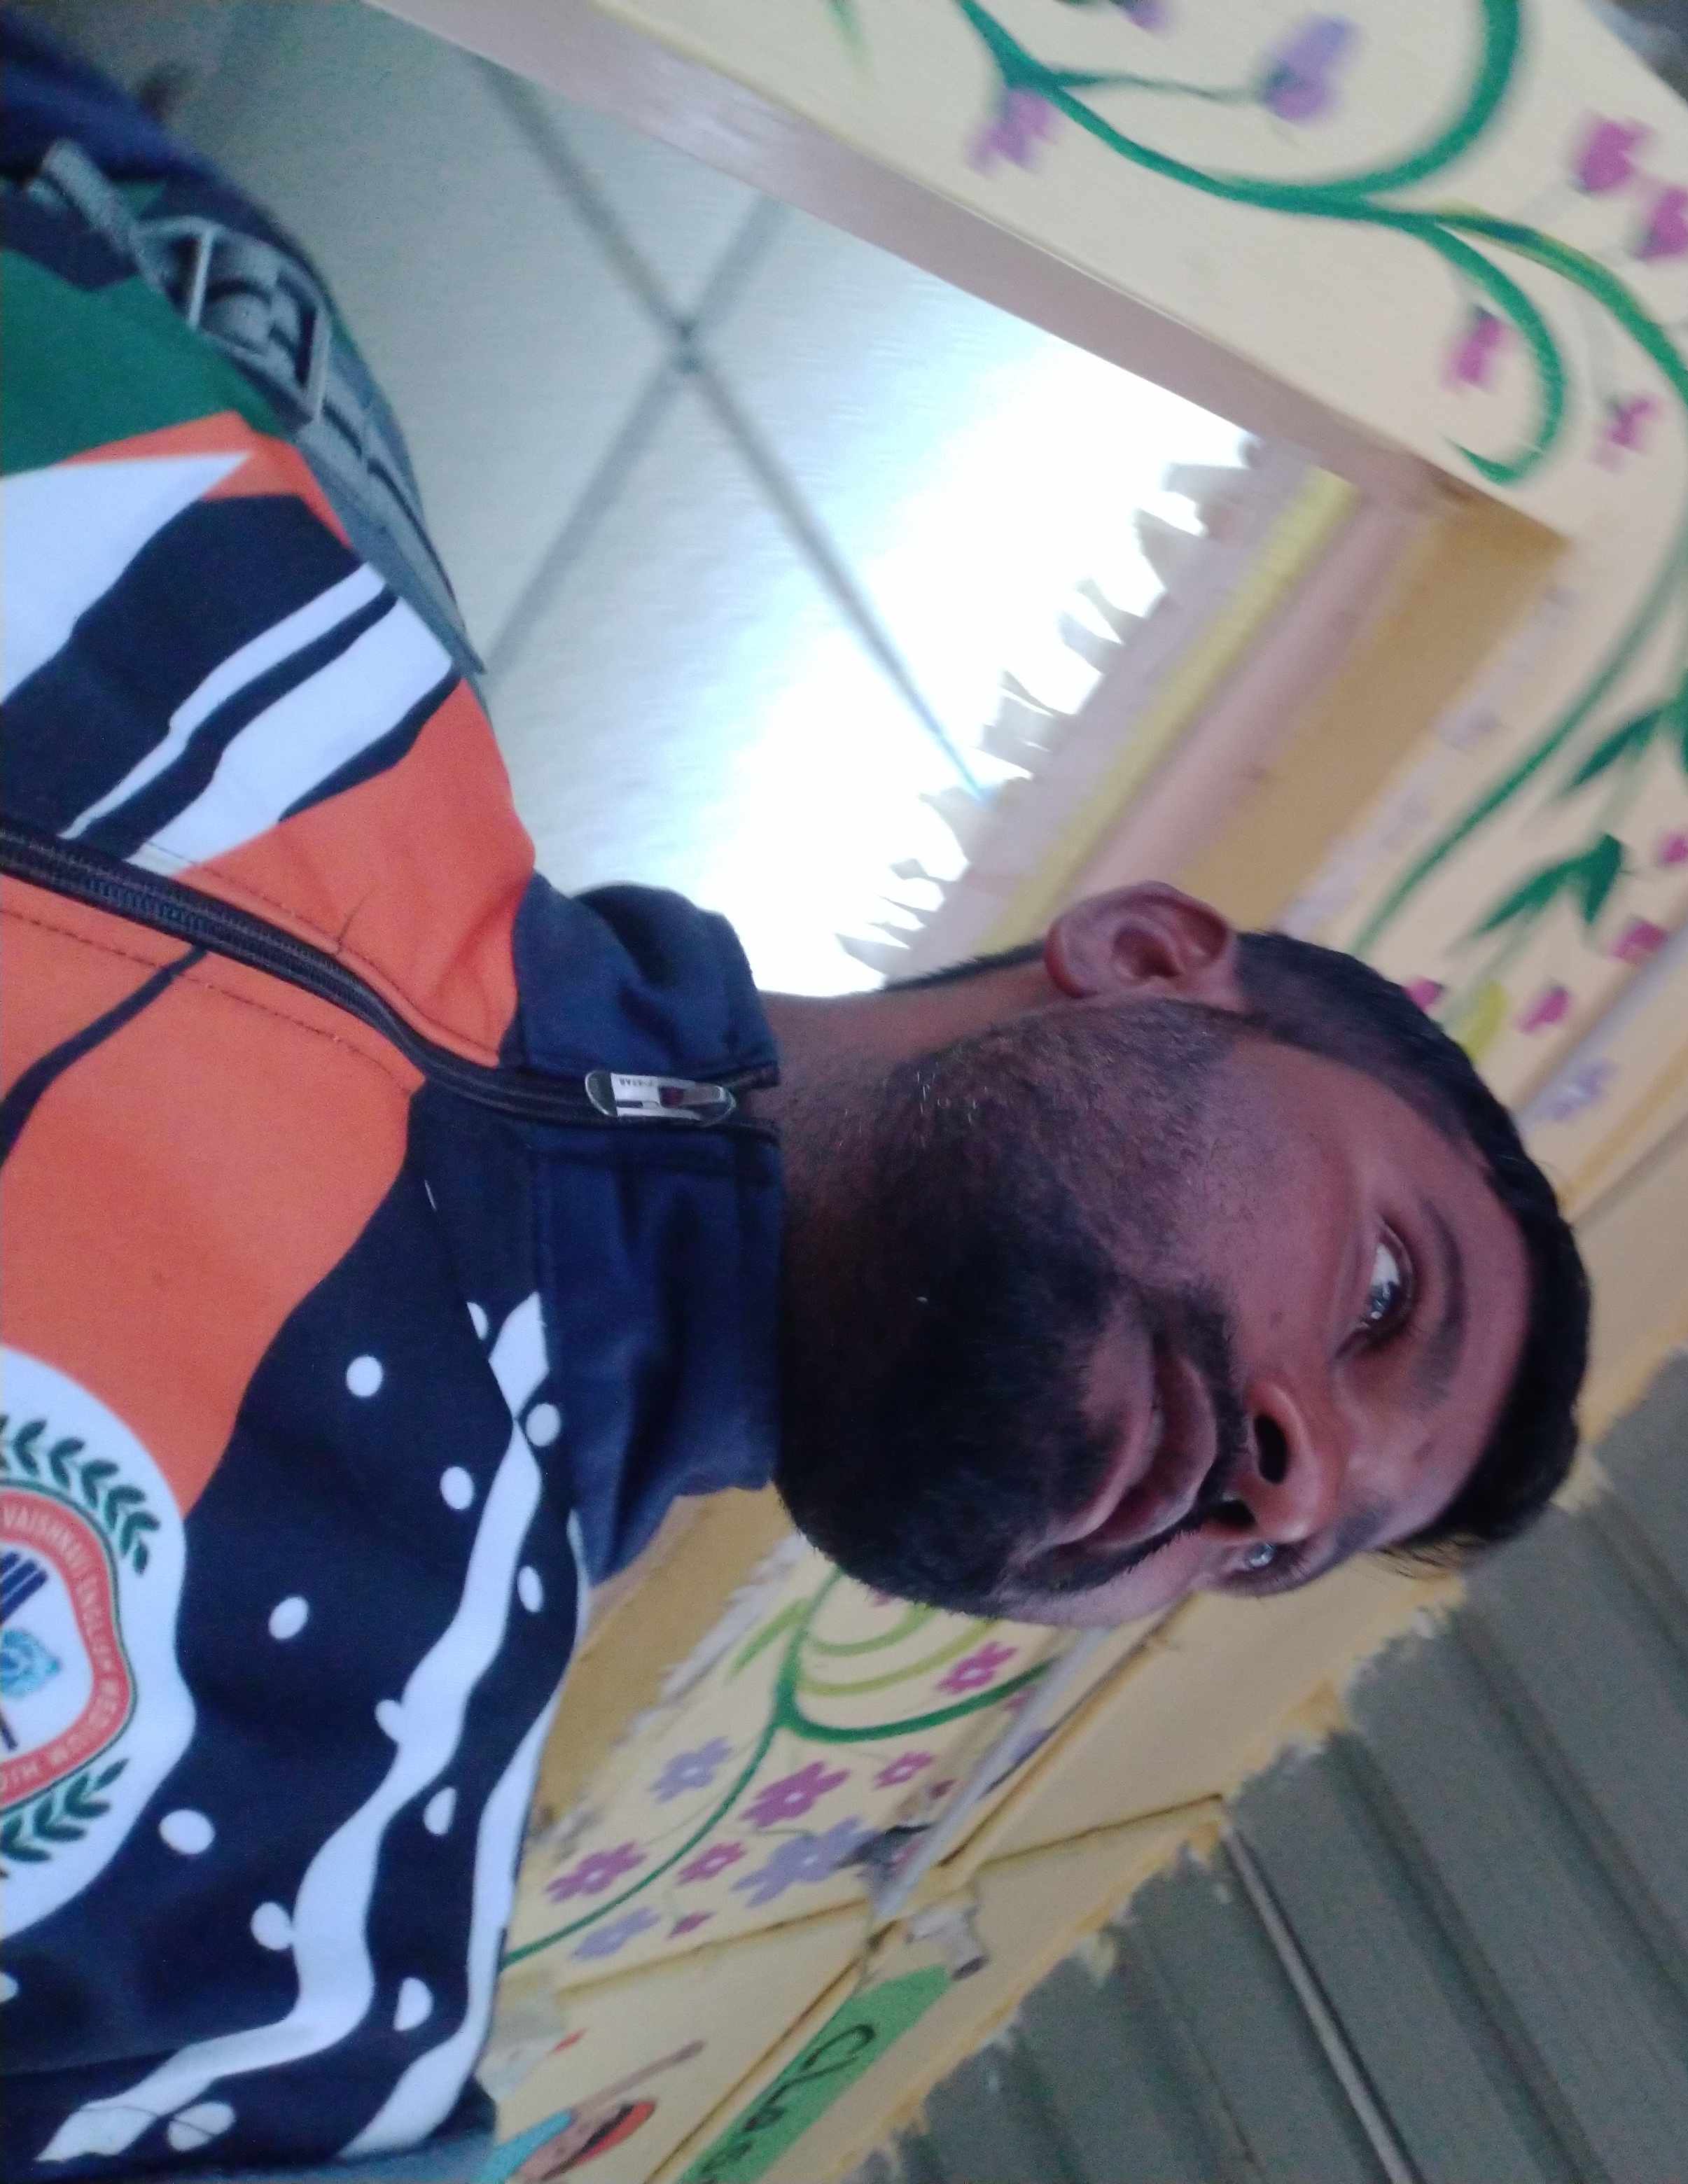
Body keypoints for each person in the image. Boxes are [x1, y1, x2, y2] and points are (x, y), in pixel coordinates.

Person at [0, 31, 1586, 2180]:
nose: (1276, 1493)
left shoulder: (308, 1991)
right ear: (1144, 955)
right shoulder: (261, 499)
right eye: (1387, 1297)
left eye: (1284, 1564)